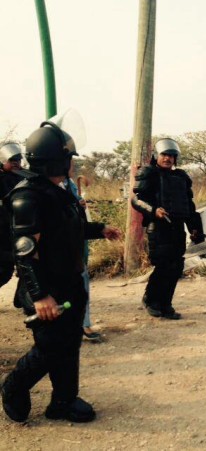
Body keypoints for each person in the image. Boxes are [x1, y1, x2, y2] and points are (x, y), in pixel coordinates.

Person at [1, 116, 121, 423]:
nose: (72, 164)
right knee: (51, 346)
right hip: (45, 288)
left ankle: (63, 401)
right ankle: (14, 386)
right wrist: (40, 296)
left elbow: (69, 227)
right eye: (68, 158)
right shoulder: (27, 197)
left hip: (69, 282)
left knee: (69, 343)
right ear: (55, 160)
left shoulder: (57, 190)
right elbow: (25, 253)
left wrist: (100, 228)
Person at [131, 138, 204, 320]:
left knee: (176, 266)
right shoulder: (149, 173)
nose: (168, 158)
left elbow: (189, 206)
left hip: (177, 228)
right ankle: (151, 301)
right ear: (157, 155)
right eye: (164, 155)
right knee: (163, 266)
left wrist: (195, 228)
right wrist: (154, 210)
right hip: (157, 228)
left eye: (172, 155)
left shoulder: (181, 177)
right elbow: (136, 200)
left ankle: (166, 304)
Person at [63, 163, 101, 342]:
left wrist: (79, 205)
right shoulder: (38, 188)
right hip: (54, 246)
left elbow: (77, 216)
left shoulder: (69, 184)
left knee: (82, 277)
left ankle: (84, 324)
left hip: (76, 239)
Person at [0, 142, 25, 288]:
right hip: (2, 231)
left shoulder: (26, 177)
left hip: (20, 228)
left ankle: (24, 296)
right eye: (12, 160)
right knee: (5, 268)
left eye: (18, 159)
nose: (16, 163)